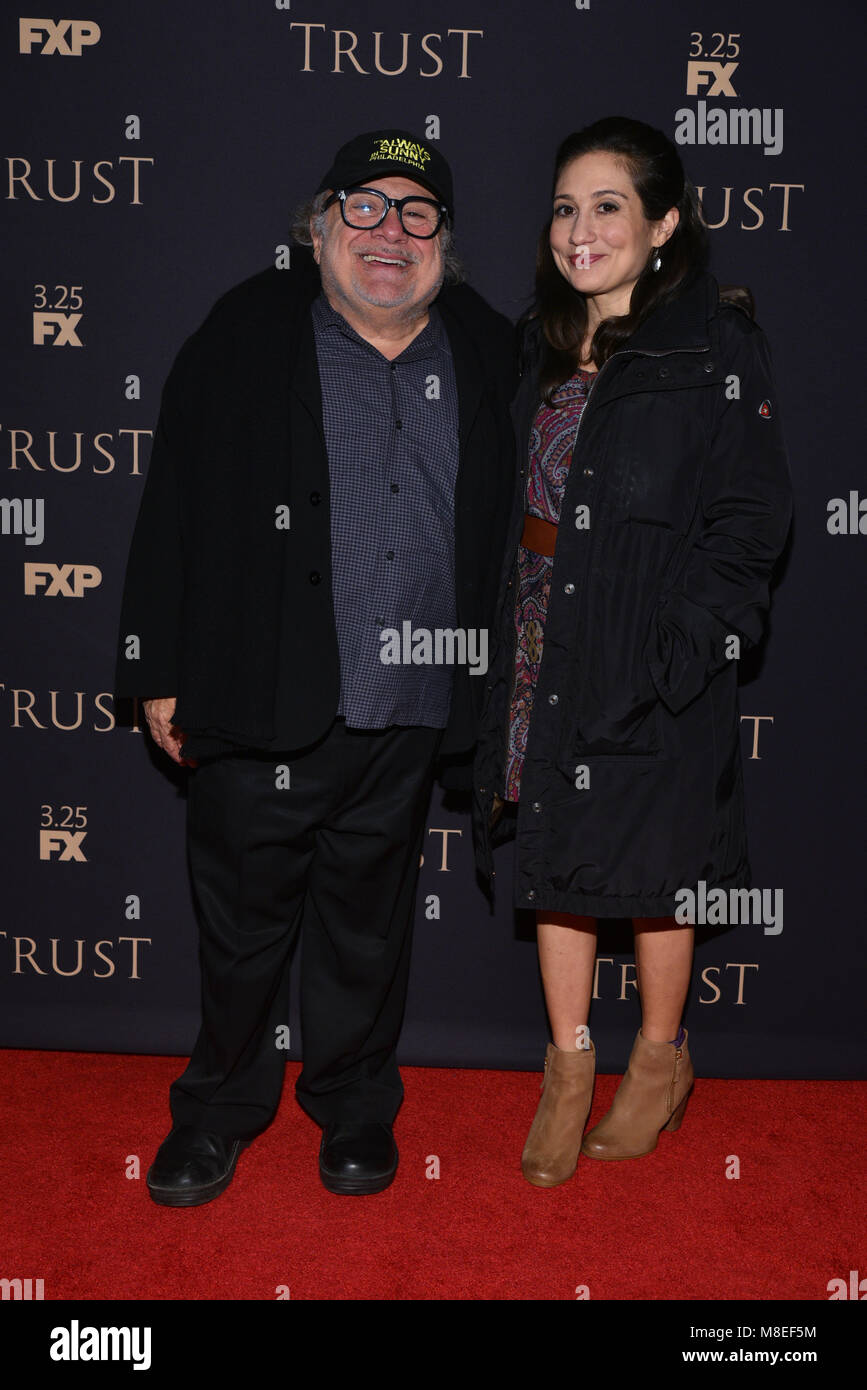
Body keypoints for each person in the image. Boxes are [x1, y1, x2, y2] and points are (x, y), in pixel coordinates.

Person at [115, 129, 517, 1204]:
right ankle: (217, 1112)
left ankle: (352, 1106)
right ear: (322, 224)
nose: (392, 232)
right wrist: (156, 661)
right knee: (244, 928)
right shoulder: (246, 330)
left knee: (366, 926)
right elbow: (172, 507)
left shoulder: (485, 348)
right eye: (366, 207)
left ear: (445, 242)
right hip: (255, 691)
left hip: (412, 699)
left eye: (418, 213)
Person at [472, 117, 792, 1187]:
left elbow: (753, 516)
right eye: (565, 207)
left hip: (651, 637)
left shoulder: (716, 343)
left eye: (607, 205)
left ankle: (659, 1060)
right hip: (539, 626)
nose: (580, 227)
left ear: (663, 222)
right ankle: (569, 1064)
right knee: (555, 855)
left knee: (659, 869)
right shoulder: (539, 340)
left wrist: (684, 641)